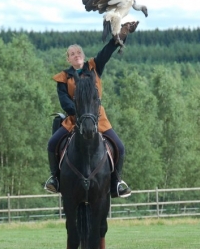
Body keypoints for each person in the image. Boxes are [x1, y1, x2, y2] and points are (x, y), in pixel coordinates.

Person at [45, 21, 139, 198]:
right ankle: (55, 179)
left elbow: (108, 50)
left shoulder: (94, 66)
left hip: (99, 119)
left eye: (78, 52)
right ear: (68, 59)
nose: (76, 55)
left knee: (120, 146)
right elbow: (65, 102)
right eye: (72, 54)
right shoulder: (63, 78)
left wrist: (123, 33)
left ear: (83, 55)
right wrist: (79, 113)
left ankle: (116, 182)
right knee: (52, 144)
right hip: (73, 120)